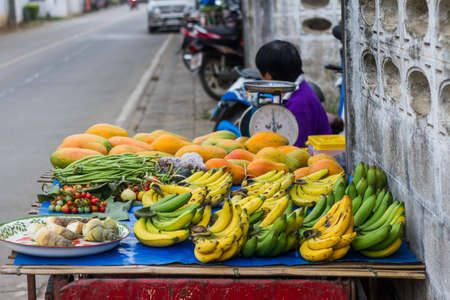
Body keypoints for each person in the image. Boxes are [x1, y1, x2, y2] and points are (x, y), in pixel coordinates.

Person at [255, 40, 332, 147]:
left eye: (259, 71)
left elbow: (296, 149)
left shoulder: (298, 104)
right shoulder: (292, 92)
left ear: (268, 76)